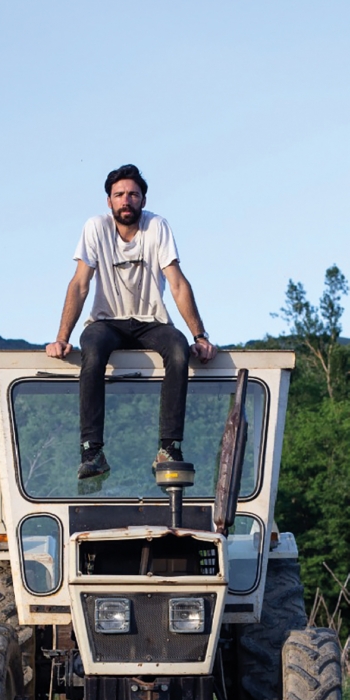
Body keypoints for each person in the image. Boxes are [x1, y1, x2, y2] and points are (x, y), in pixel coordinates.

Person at [46, 164, 216, 479]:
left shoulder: (158, 227)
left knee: (178, 349)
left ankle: (169, 447)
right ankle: (92, 451)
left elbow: (177, 283)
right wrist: (61, 337)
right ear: (109, 201)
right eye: (120, 195)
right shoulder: (95, 228)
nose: (127, 200)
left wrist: (200, 336)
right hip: (107, 322)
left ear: (143, 200)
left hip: (151, 321)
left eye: (133, 195)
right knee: (92, 350)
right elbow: (80, 283)